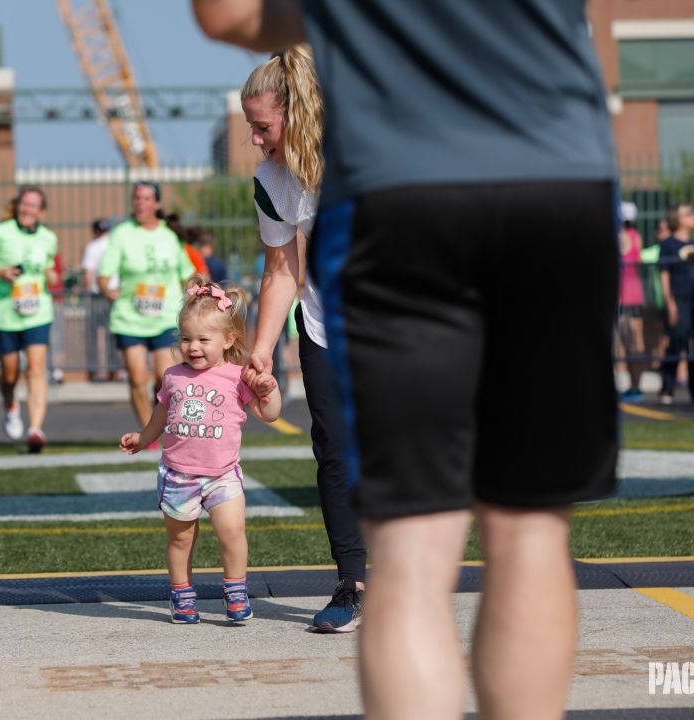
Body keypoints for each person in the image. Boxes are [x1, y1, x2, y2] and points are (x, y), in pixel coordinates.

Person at [195, 3, 620, 718]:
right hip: (556, 172)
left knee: (415, 552)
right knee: (530, 531)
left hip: (404, 186)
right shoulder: (281, 175)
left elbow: (226, 14)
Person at [237, 46, 368, 633]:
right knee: (335, 454)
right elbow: (281, 272)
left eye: (263, 126)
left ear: (299, 111)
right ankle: (353, 582)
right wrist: (260, 350)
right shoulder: (272, 180)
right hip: (321, 326)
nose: (257, 139)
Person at [119, 276, 282, 623]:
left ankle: (235, 590)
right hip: (178, 475)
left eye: (203, 340)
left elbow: (270, 414)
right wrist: (144, 438)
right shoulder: (173, 375)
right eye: (186, 339)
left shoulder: (239, 377)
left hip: (223, 475)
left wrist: (269, 388)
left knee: (233, 532)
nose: (193, 347)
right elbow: (161, 413)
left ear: (228, 340)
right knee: (180, 540)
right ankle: (182, 594)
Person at [0, 186, 59, 452]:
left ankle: (36, 429)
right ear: (18, 206)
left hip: (37, 312)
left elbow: (49, 266)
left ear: (42, 211)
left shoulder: (48, 238)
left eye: (33, 206)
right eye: (24, 204)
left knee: (36, 368)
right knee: (10, 373)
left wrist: (52, 275)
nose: (28, 210)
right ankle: (10, 405)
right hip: (3, 314)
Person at [98, 182, 197, 428]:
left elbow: (187, 273)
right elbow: (104, 274)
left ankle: (160, 420)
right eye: (136, 198)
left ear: (156, 204)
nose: (140, 203)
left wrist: (196, 293)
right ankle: (147, 430)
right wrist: (105, 288)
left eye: (146, 198)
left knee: (165, 379)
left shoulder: (169, 234)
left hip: (165, 317)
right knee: (137, 377)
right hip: (129, 317)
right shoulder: (121, 234)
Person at [657, 208, 694, 404]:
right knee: (677, 342)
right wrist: (670, 302)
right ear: (677, 219)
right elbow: (664, 274)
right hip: (678, 299)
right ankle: (667, 388)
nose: (693, 216)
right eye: (688, 214)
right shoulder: (668, 245)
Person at [81, 218, 120, 382]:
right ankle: (114, 370)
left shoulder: (93, 246)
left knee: (93, 334)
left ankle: (94, 370)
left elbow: (89, 274)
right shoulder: (115, 244)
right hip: (116, 293)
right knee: (113, 335)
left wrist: (87, 292)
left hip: (98, 295)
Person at [616, 202, 647, 403]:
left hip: (624, 295)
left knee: (627, 342)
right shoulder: (637, 236)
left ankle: (633, 386)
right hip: (635, 292)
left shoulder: (621, 236)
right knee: (635, 340)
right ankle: (635, 386)